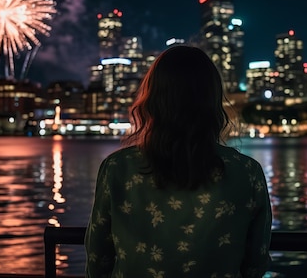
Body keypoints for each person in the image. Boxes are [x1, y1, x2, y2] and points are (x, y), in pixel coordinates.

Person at [84, 45, 272, 278]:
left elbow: (97, 258)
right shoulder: (247, 171)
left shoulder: (117, 168)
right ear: (212, 101)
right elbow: (256, 261)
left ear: (152, 98)